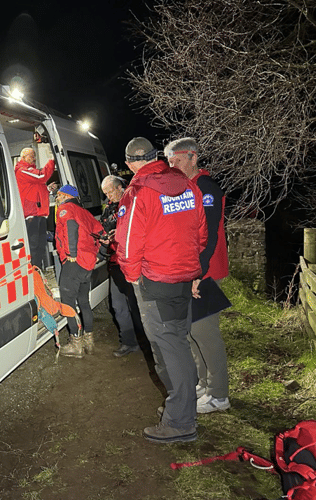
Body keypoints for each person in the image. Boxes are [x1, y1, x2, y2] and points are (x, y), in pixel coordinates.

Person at [115, 137, 207, 443]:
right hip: (183, 277)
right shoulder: (188, 185)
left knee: (169, 348)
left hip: (155, 281)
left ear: (130, 163)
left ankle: (181, 421)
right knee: (175, 342)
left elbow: (127, 244)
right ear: (157, 156)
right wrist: (192, 267)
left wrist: (131, 277)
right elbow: (201, 232)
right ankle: (181, 407)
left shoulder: (137, 191)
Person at [164, 137, 230, 414]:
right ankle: (204, 384)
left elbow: (210, 234)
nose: (172, 166)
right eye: (169, 162)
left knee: (205, 333)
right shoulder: (189, 187)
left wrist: (197, 274)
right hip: (192, 271)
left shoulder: (206, 188)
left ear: (192, 157)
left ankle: (219, 394)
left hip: (205, 272)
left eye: (176, 161)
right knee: (193, 331)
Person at [54, 184, 105, 358]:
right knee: (83, 301)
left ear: (64, 195)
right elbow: (100, 232)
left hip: (74, 262)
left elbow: (70, 227)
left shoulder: (65, 208)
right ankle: (89, 340)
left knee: (67, 302)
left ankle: (76, 343)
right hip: (87, 263)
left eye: (59, 194)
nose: (57, 197)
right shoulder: (84, 211)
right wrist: (99, 254)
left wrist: (71, 254)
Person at [100, 175, 145, 357]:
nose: (108, 196)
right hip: (115, 263)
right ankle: (128, 342)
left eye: (110, 192)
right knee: (118, 306)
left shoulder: (133, 202)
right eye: (105, 193)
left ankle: (147, 344)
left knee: (137, 307)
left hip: (133, 264)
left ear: (120, 187)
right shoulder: (109, 207)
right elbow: (105, 227)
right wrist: (105, 239)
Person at [15, 147, 55, 269]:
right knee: (33, 247)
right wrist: (52, 161)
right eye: (31, 155)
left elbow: (36, 188)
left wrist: (47, 189)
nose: (34, 158)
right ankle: (33, 273)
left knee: (41, 246)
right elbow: (41, 176)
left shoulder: (30, 171)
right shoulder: (22, 170)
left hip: (39, 214)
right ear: (23, 157)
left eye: (34, 155)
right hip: (31, 216)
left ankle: (38, 272)